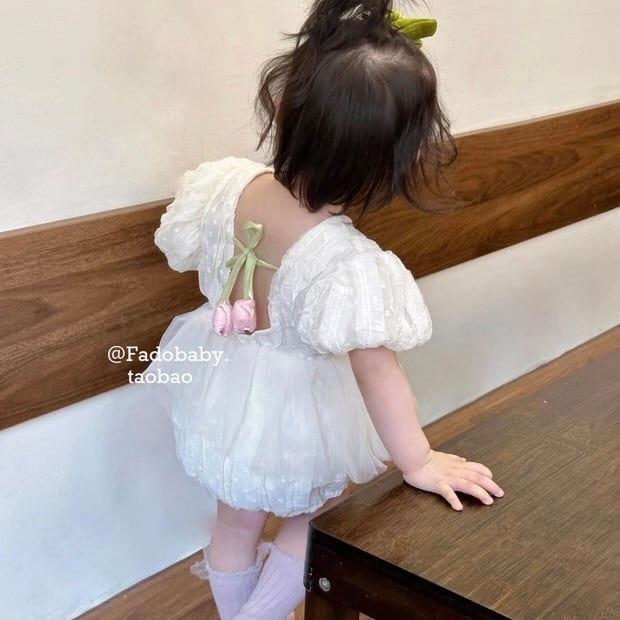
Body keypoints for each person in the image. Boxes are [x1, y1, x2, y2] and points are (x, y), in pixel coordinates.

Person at [146, 1, 504, 618]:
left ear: (282, 104)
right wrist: (417, 459)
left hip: (225, 383)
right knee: (322, 516)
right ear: (389, 161)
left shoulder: (229, 186)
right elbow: (378, 373)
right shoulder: (347, 263)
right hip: (296, 405)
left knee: (235, 521)